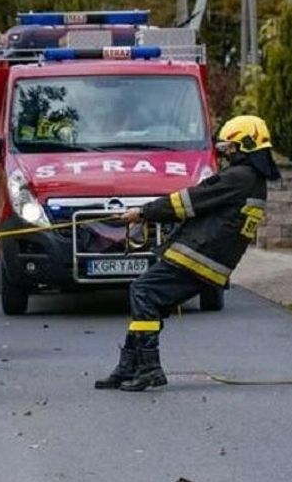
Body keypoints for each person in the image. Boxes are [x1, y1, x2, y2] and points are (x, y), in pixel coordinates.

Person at [95, 115, 280, 392]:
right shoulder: (253, 180)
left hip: (197, 257)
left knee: (143, 291)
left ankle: (149, 368)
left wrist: (143, 212)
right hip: (209, 261)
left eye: (229, 148)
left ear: (246, 145)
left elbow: (188, 201)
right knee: (149, 299)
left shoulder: (238, 177)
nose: (225, 153)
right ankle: (128, 366)